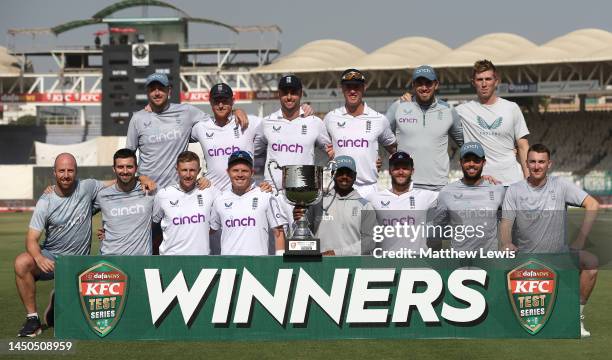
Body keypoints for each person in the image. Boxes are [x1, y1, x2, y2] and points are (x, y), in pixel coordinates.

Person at [500, 143, 599, 337]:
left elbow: (592, 204)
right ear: (526, 164)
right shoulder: (514, 190)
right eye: (533, 162)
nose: (537, 166)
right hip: (526, 260)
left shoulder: (560, 185)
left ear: (549, 164)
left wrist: (580, 239)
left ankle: (575, 318)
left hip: (558, 258)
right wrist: (506, 243)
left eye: (541, 162)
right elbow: (506, 223)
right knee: (522, 319)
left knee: (591, 264)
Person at [14, 153, 105, 337]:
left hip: (80, 264)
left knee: (88, 319)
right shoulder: (45, 202)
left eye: (70, 170)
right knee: (22, 262)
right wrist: (39, 257)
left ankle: (60, 297)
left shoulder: (87, 187)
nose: (66, 175)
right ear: (54, 173)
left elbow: (117, 185)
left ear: (76, 172)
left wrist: (141, 178)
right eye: (61, 170)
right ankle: (33, 320)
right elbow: (31, 239)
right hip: (52, 260)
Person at [256, 75, 333, 230]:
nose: (289, 97)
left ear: (301, 93)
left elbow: (331, 152)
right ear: (279, 94)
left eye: (294, 92)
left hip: (304, 198)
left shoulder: (315, 123)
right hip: (272, 195)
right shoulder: (266, 123)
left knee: (301, 247)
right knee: (275, 251)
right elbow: (250, 153)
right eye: (285, 92)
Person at [386, 65, 463, 191]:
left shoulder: (448, 110)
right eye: (419, 84)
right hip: (406, 186)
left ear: (436, 84)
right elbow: (380, 135)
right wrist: (395, 153)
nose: (424, 88)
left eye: (428, 83)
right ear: (413, 85)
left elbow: (465, 143)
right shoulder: (399, 106)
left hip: (439, 186)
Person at [455, 60, 530, 185]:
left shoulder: (512, 108)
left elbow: (523, 146)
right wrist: (411, 105)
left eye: (488, 79)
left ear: (496, 81)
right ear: (473, 83)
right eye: (479, 80)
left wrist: (529, 180)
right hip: (481, 183)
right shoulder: (462, 111)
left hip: (512, 181)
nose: (484, 84)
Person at [324, 69, 397, 198]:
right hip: (339, 188)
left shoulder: (379, 119)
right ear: (342, 89)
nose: (352, 91)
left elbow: (394, 150)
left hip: (369, 190)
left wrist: (379, 159)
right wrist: (327, 151)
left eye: (356, 87)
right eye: (348, 87)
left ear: (364, 88)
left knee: (367, 219)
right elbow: (314, 143)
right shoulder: (331, 118)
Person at [293, 155, 377, 255]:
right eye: (340, 173)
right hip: (320, 265)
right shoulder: (317, 202)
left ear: (355, 176)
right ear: (333, 174)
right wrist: (299, 218)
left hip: (352, 268)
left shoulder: (365, 206)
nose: (344, 177)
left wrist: (338, 253)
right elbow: (303, 235)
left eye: (348, 173)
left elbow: (370, 242)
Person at [210, 151, 287, 255]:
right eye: (235, 170)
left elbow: (279, 232)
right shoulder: (219, 199)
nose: (240, 174)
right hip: (228, 266)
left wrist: (279, 262)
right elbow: (210, 230)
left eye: (244, 171)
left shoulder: (265, 195)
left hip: (258, 265)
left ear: (252, 172)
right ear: (228, 172)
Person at [433, 142, 506, 251]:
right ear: (460, 162)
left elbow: (508, 222)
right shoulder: (447, 191)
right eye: (467, 160)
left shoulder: (497, 189)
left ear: (483, 162)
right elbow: (438, 228)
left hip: (489, 261)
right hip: (458, 261)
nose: (471, 164)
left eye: (476, 160)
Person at [191, 83, 263, 191]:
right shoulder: (200, 128)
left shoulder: (249, 122)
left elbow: (279, 128)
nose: (220, 105)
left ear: (232, 101)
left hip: (243, 194)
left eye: (225, 101)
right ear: (210, 102)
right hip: (212, 193)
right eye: (216, 101)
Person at [366, 152, 438, 251]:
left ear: (412, 171)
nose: (401, 172)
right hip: (385, 264)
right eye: (396, 168)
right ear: (390, 171)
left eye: (405, 168)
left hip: (417, 263)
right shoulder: (374, 198)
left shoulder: (426, 196)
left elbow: (452, 197)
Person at [152, 151, 218, 255]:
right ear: (177, 170)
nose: (188, 175)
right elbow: (153, 225)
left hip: (201, 260)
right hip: (171, 259)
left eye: (192, 170)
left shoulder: (209, 192)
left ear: (199, 171)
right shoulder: (163, 194)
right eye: (184, 170)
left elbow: (215, 227)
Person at [94, 148, 155, 255]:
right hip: (110, 261)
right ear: (114, 169)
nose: (125, 171)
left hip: (140, 262)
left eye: (129, 167)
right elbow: (82, 214)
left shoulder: (149, 191)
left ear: (136, 168)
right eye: (120, 167)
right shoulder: (102, 195)